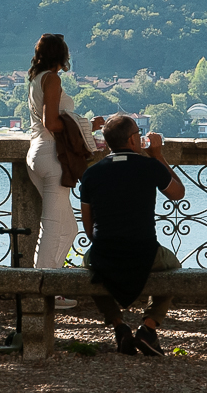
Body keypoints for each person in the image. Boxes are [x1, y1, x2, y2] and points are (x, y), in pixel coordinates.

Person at [78, 115, 187, 355]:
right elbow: (178, 193)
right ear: (132, 140)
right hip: (144, 252)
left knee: (88, 266)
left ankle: (119, 326)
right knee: (175, 267)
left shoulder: (91, 174)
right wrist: (158, 155)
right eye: (138, 133)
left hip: (104, 253)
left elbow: (88, 227)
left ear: (107, 143)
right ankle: (148, 327)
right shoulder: (149, 166)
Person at [25, 33, 103, 307]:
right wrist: (86, 126)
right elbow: (53, 123)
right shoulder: (52, 78)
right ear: (63, 55)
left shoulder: (36, 78)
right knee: (52, 226)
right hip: (51, 155)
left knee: (68, 229)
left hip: (36, 154)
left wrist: (86, 127)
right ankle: (43, 291)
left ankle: (51, 283)